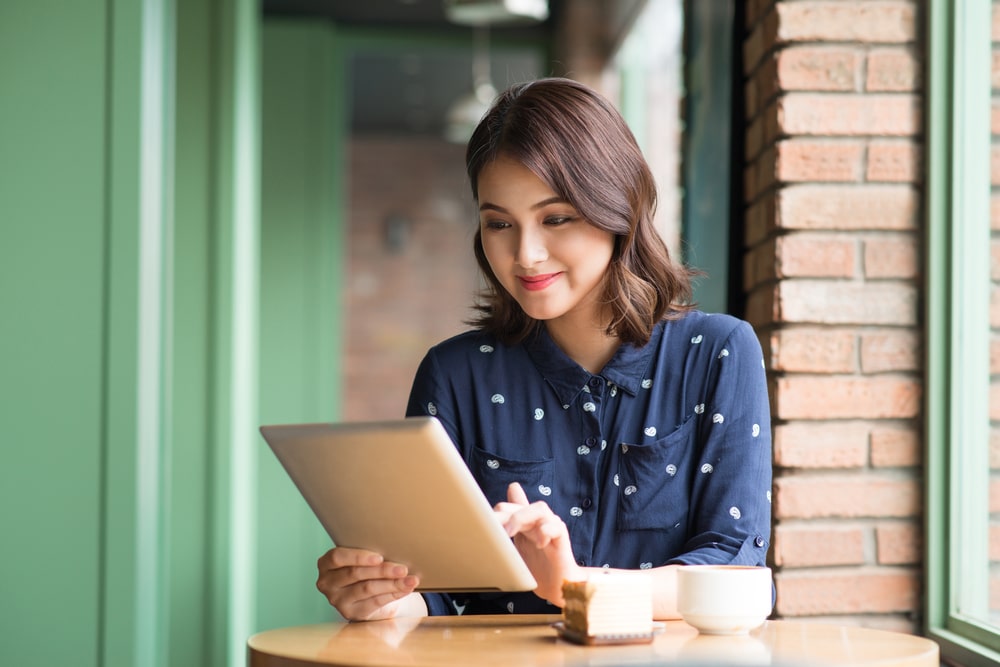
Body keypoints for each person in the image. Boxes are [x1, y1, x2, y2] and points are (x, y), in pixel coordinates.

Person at [316, 77, 772, 622]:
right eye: (499, 224)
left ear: (618, 210)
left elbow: (738, 571)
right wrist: (383, 599)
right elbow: (436, 590)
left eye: (555, 218)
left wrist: (576, 585)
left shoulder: (717, 352)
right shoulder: (455, 373)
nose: (526, 254)